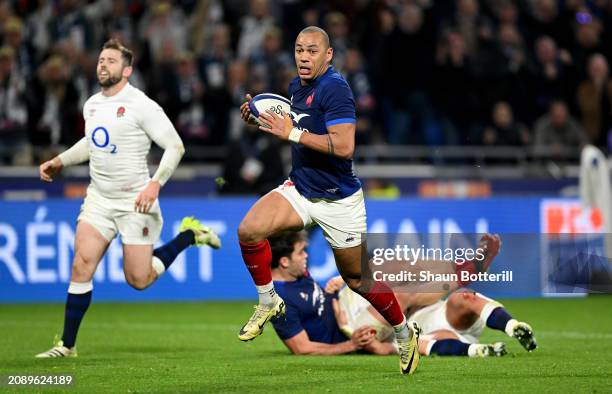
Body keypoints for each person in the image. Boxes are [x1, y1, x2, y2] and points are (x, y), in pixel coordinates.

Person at [237, 26, 419, 374]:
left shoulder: (336, 89)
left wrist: (291, 133)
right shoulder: (295, 87)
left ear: (328, 54)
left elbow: (345, 146)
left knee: (357, 280)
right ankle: (268, 301)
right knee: (249, 230)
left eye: (312, 51)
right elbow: (292, 125)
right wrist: (257, 117)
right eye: (299, 50)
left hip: (339, 200)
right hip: (301, 188)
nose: (304, 57)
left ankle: (403, 332)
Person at [35, 39, 221, 358]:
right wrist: (60, 160)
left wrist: (155, 185)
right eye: (100, 59)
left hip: (137, 202)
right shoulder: (92, 104)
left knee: (139, 279)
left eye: (110, 60)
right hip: (99, 199)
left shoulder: (142, 105)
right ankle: (66, 345)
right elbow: (91, 142)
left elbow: (175, 146)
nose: (102, 65)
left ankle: (189, 236)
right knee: (81, 264)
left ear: (127, 70)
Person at [269, 232, 537, 358]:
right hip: (352, 331)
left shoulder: (297, 274)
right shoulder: (278, 302)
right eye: (300, 253)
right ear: (283, 262)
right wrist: (351, 345)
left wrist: (340, 282)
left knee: (392, 264)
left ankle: (463, 269)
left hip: (347, 304)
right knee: (399, 297)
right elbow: (301, 348)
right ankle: (465, 273)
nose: (306, 257)